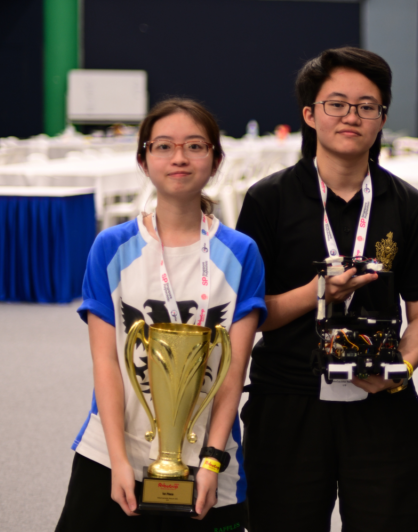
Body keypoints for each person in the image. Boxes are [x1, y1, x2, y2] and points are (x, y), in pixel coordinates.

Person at [235, 47, 418, 532]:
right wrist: (320, 291)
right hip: (288, 399)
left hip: (381, 401)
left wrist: (401, 369)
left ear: (382, 118)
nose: (353, 116)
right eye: (337, 104)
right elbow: (250, 315)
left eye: (367, 106)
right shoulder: (269, 199)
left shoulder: (408, 205)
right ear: (310, 114)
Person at [56, 99, 266, 531]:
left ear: (215, 159)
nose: (179, 158)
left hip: (209, 456)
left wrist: (212, 461)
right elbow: (106, 362)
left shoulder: (241, 253)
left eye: (195, 146)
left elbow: (233, 369)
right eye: (164, 146)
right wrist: (118, 460)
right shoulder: (111, 247)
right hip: (113, 448)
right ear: (143, 159)